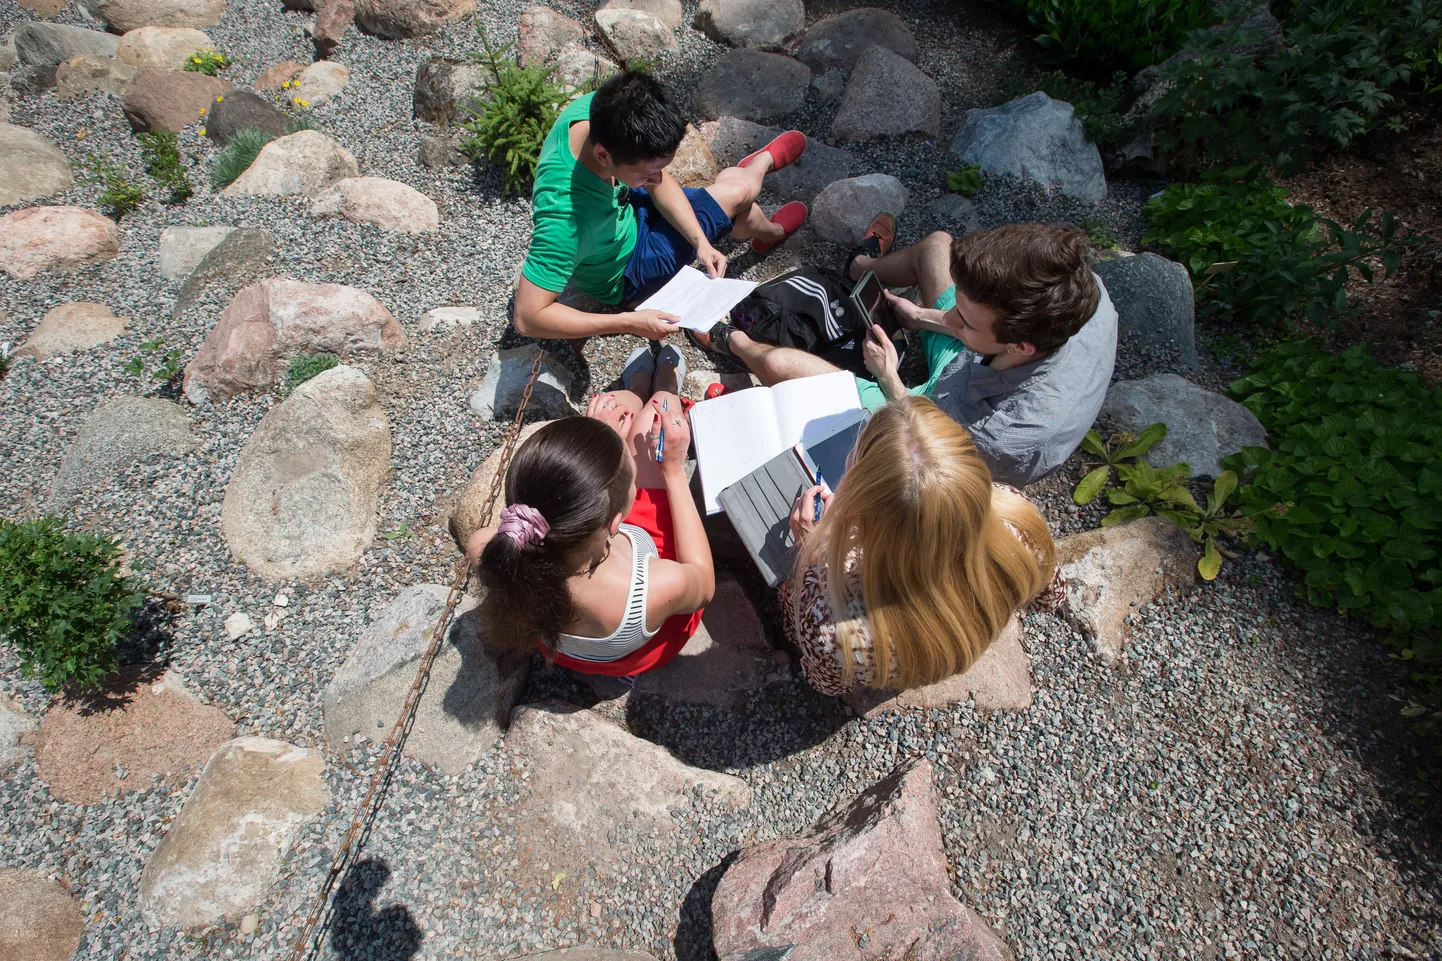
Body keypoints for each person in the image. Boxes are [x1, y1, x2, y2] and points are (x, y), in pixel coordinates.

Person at [695, 220, 1119, 487]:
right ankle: (860, 267)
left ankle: (727, 337)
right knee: (937, 246)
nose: (949, 318)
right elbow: (961, 319)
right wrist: (922, 315)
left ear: (1020, 344)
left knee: (777, 363)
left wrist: (890, 379)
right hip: (974, 365)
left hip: (938, 421)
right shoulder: (1079, 289)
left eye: (965, 321)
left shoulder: (997, 437)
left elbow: (929, 449)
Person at [778, 396, 1065, 697]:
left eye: (852, 471)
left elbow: (826, 683)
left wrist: (812, 556)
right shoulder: (1019, 520)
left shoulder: (830, 625)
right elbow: (1052, 596)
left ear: (867, 520)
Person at [467, 345, 713, 677]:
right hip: (642, 605)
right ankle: (665, 388)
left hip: (583, 616)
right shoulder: (658, 587)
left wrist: (594, 440)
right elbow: (703, 583)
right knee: (659, 411)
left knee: (620, 404)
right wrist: (673, 472)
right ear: (617, 521)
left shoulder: (493, 547)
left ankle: (637, 389)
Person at [514, 69, 809, 345]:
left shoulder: (604, 111)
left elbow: (659, 181)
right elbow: (528, 318)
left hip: (627, 205)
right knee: (738, 192)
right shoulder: (566, 221)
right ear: (604, 155)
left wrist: (701, 243)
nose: (659, 179)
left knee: (733, 203)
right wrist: (628, 321)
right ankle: (765, 203)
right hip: (628, 269)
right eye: (647, 173)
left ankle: (762, 224)